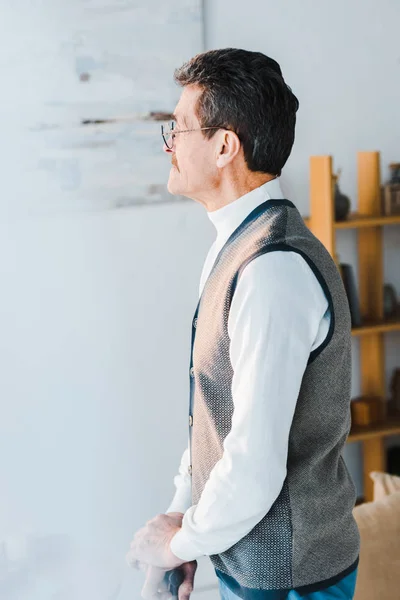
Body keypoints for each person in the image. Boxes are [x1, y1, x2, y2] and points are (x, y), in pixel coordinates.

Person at [127, 48, 360, 600]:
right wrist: (182, 518)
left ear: (224, 145)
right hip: (249, 564)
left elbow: (254, 465)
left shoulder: (272, 269)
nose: (170, 145)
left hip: (290, 577)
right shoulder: (237, 247)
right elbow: (213, 413)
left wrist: (180, 544)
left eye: (178, 129)